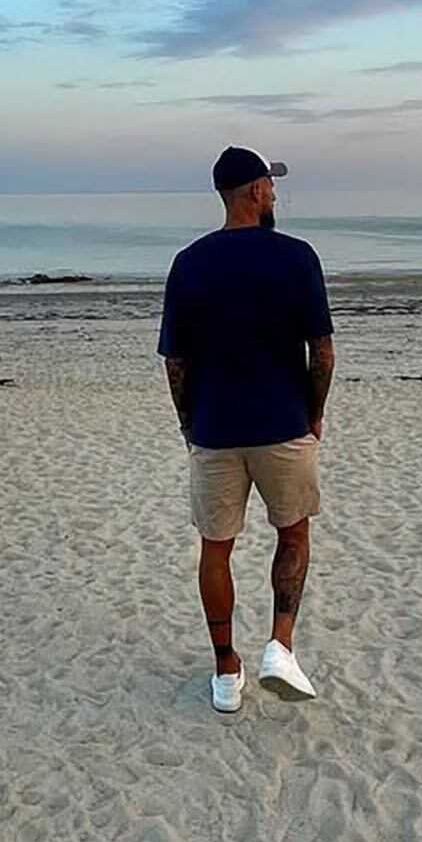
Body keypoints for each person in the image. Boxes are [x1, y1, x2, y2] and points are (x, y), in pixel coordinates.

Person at [159, 148, 335, 713]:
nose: (275, 194)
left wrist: (190, 424)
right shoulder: (296, 258)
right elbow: (324, 352)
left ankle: (224, 671)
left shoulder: (189, 263)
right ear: (255, 192)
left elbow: (175, 361)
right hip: (282, 422)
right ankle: (280, 645)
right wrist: (314, 412)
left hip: (215, 428)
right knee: (293, 533)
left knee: (216, 548)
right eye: (270, 185)